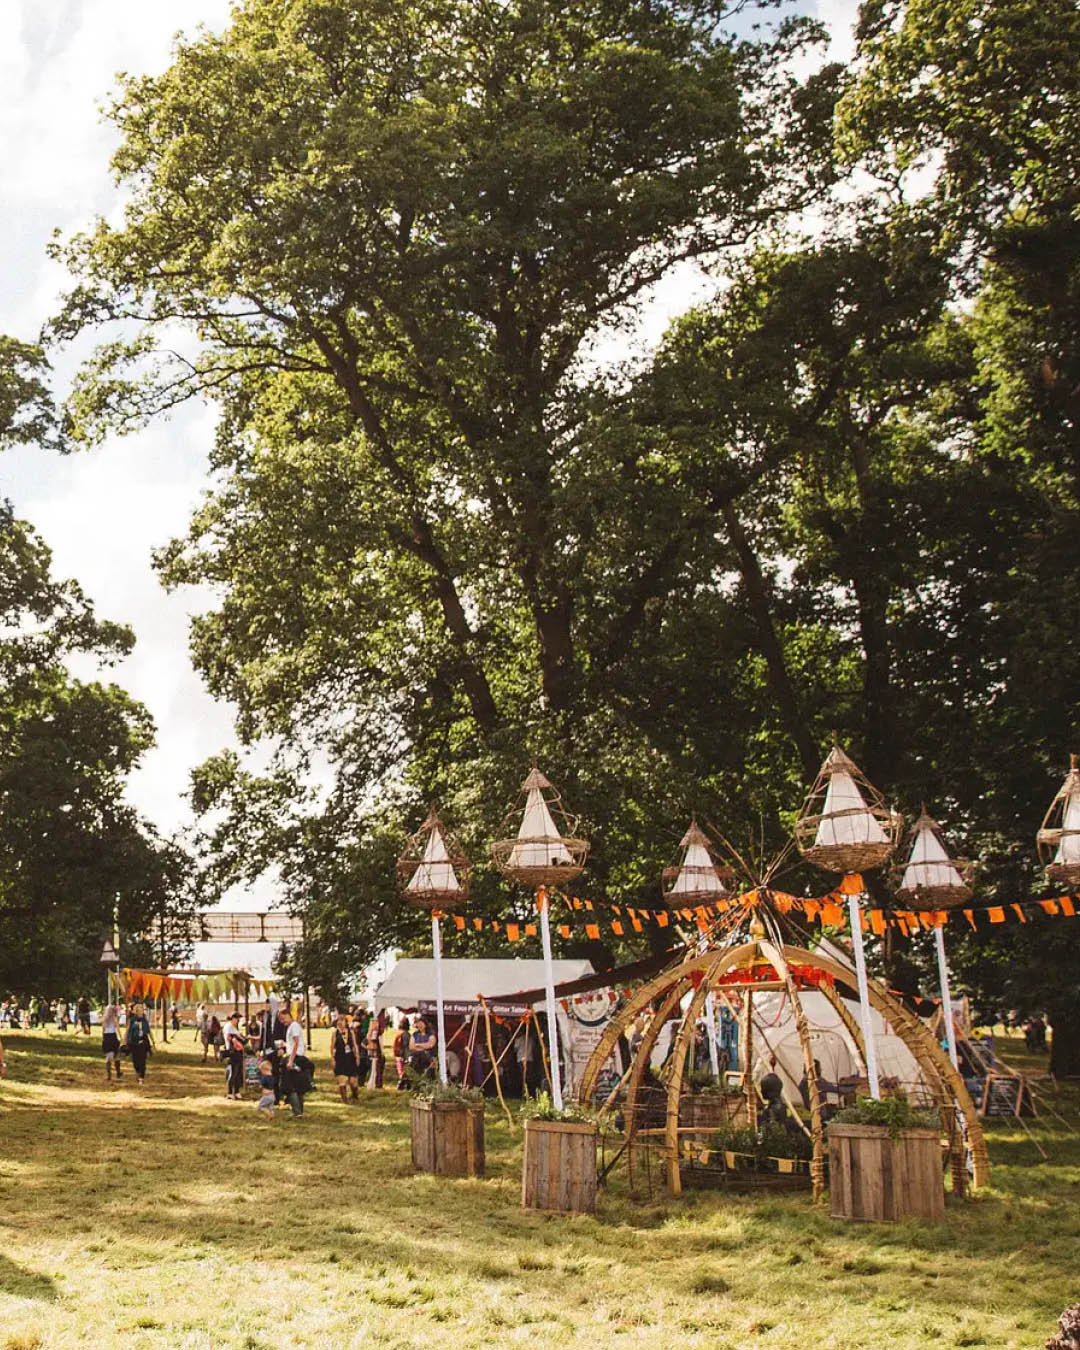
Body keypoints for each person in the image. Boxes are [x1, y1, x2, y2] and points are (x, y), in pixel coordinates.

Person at [279, 1008, 309, 1118]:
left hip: (295, 1057)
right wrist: (285, 1044)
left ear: (288, 1015)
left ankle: (297, 1111)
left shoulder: (294, 1026)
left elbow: (296, 1043)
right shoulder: (291, 1027)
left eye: (283, 1018)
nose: (283, 1021)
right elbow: (294, 1044)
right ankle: (299, 1111)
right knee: (298, 1086)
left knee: (289, 1086)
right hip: (296, 1055)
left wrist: (291, 1060)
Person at [331, 1014, 361, 1103]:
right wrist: (332, 1059)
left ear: (346, 1022)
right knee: (342, 1080)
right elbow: (332, 1047)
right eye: (338, 1021)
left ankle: (355, 1095)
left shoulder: (351, 1032)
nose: (340, 1023)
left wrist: (357, 1056)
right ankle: (344, 1100)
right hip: (340, 1058)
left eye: (342, 1020)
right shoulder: (335, 1034)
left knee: (353, 1081)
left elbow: (355, 1045)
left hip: (350, 1058)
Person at [125, 1002, 154, 1086]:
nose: (141, 1012)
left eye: (142, 1010)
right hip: (133, 1043)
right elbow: (128, 1031)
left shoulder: (144, 1020)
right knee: (135, 1061)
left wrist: (153, 1042)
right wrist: (124, 1040)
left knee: (142, 1061)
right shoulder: (132, 1020)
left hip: (143, 1042)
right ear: (136, 1012)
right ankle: (138, 1072)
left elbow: (149, 1032)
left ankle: (141, 1077)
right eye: (140, 1011)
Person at [223, 1017, 246, 1099]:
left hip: (238, 1053)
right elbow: (233, 1039)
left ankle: (236, 1091)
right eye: (237, 1019)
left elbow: (243, 1040)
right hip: (233, 1053)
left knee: (238, 1073)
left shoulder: (233, 1027)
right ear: (232, 1018)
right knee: (233, 1072)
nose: (238, 1020)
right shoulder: (228, 1027)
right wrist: (238, 1038)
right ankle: (229, 1092)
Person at [102, 1001, 123, 1081]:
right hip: (113, 1036)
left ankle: (109, 1075)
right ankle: (118, 1073)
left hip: (106, 1037)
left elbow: (103, 1029)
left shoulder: (104, 1019)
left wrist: (103, 1038)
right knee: (116, 1056)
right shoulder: (114, 1018)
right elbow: (117, 1028)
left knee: (108, 1057)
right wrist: (121, 1038)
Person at [365, 1013, 384, 1090]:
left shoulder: (376, 1033)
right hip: (374, 1053)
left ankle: (376, 1083)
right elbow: (371, 1042)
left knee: (377, 1069)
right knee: (374, 1069)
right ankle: (375, 1084)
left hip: (376, 1053)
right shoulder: (372, 1033)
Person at [393, 1017, 411, 1089]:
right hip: (404, 1054)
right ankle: (402, 1085)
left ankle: (402, 1085)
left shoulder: (398, 1033)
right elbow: (406, 1045)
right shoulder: (406, 1034)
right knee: (405, 1070)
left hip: (398, 1054)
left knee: (401, 1070)